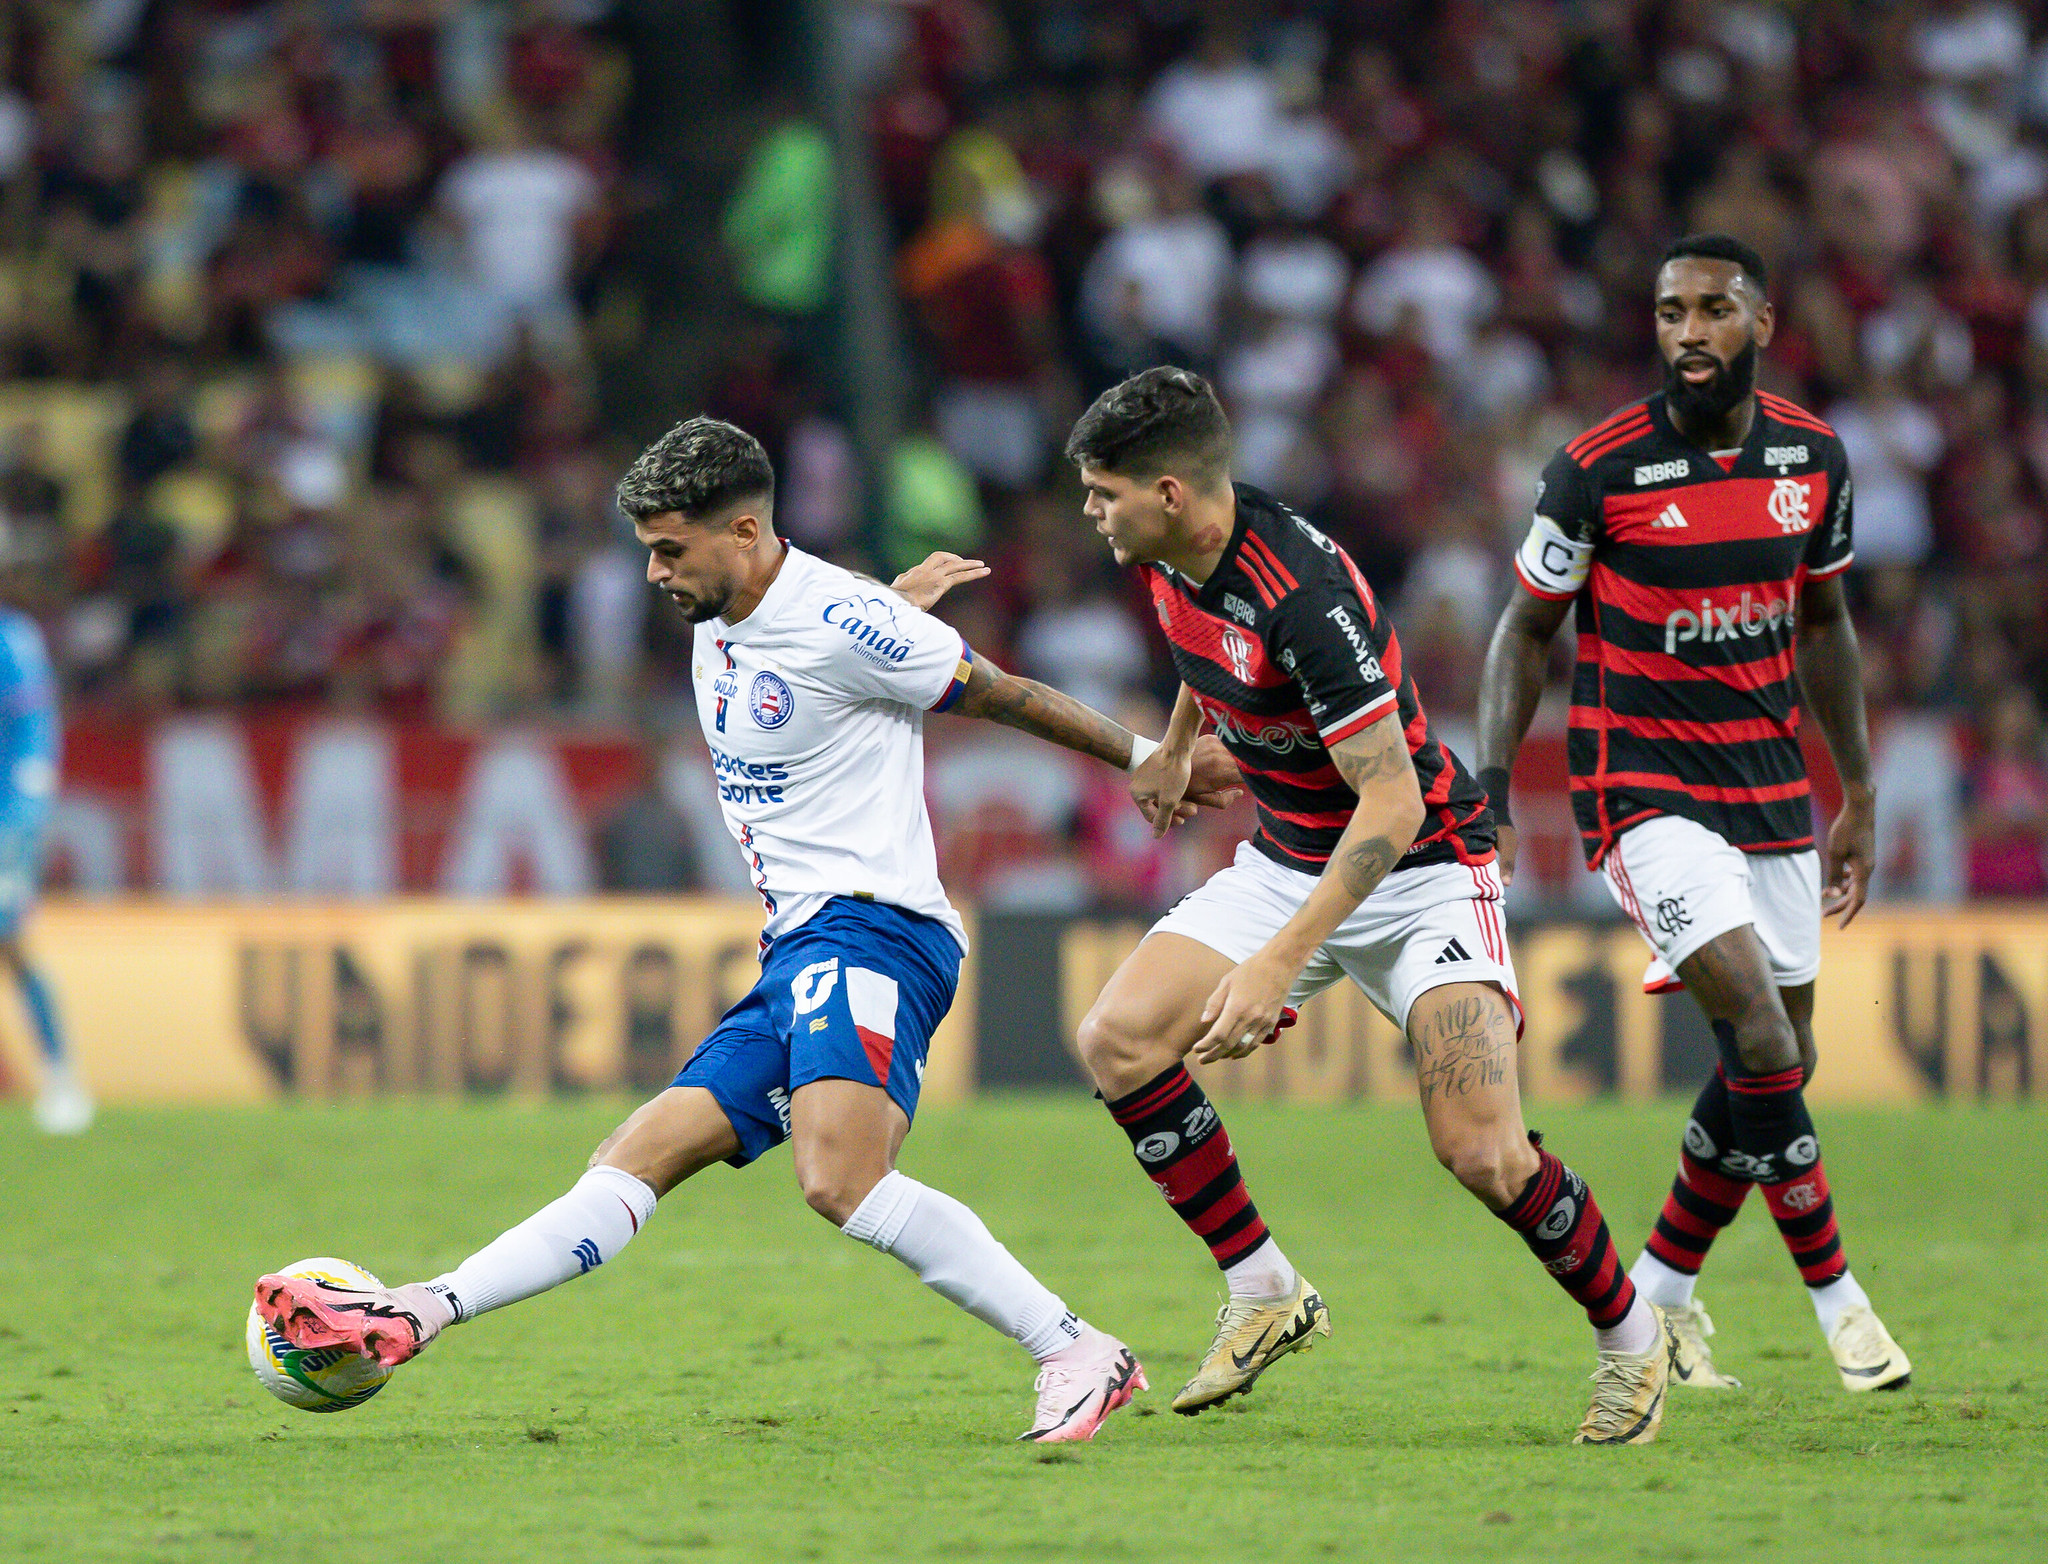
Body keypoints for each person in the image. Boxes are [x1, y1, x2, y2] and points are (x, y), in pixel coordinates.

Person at [255, 417, 1242, 1443]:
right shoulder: (740, 605)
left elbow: (998, 692)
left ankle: (1073, 1347)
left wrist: (1139, 756)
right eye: (645, 549)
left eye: (669, 548)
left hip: (873, 931)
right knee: (634, 1154)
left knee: (840, 1177)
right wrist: (883, 612)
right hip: (798, 950)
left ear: (742, 530)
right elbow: (821, 647)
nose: (652, 572)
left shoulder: (843, 622)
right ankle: (426, 1308)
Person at [1065, 368, 1678, 1446]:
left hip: (1419, 869)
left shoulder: (1302, 594)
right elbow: (1199, 643)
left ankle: (1633, 1343)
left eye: (1102, 491)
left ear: (1168, 491)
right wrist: (1172, 749)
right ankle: (1262, 1290)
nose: (1088, 510)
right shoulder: (1171, 555)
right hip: (1291, 860)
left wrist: (1270, 965)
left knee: (1483, 1153)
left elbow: (1388, 800)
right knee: (1117, 1039)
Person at [1475, 233, 1910, 1395]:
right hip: (1641, 790)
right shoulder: (1596, 467)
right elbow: (1523, 628)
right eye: (1669, 311)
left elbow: (1822, 624)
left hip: (1769, 784)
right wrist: (1490, 785)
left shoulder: (1812, 457)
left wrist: (1854, 788)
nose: (1687, 333)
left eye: (1713, 310)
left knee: (1778, 1061)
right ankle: (1841, 1303)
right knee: (1763, 1040)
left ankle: (1661, 1292)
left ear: (1760, 322)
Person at [0, 569, 87, 1135]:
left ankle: (61, 1077)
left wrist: (23, 813)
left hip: (3, 818)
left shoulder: (12, 639)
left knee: (11, 941)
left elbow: (35, 731)